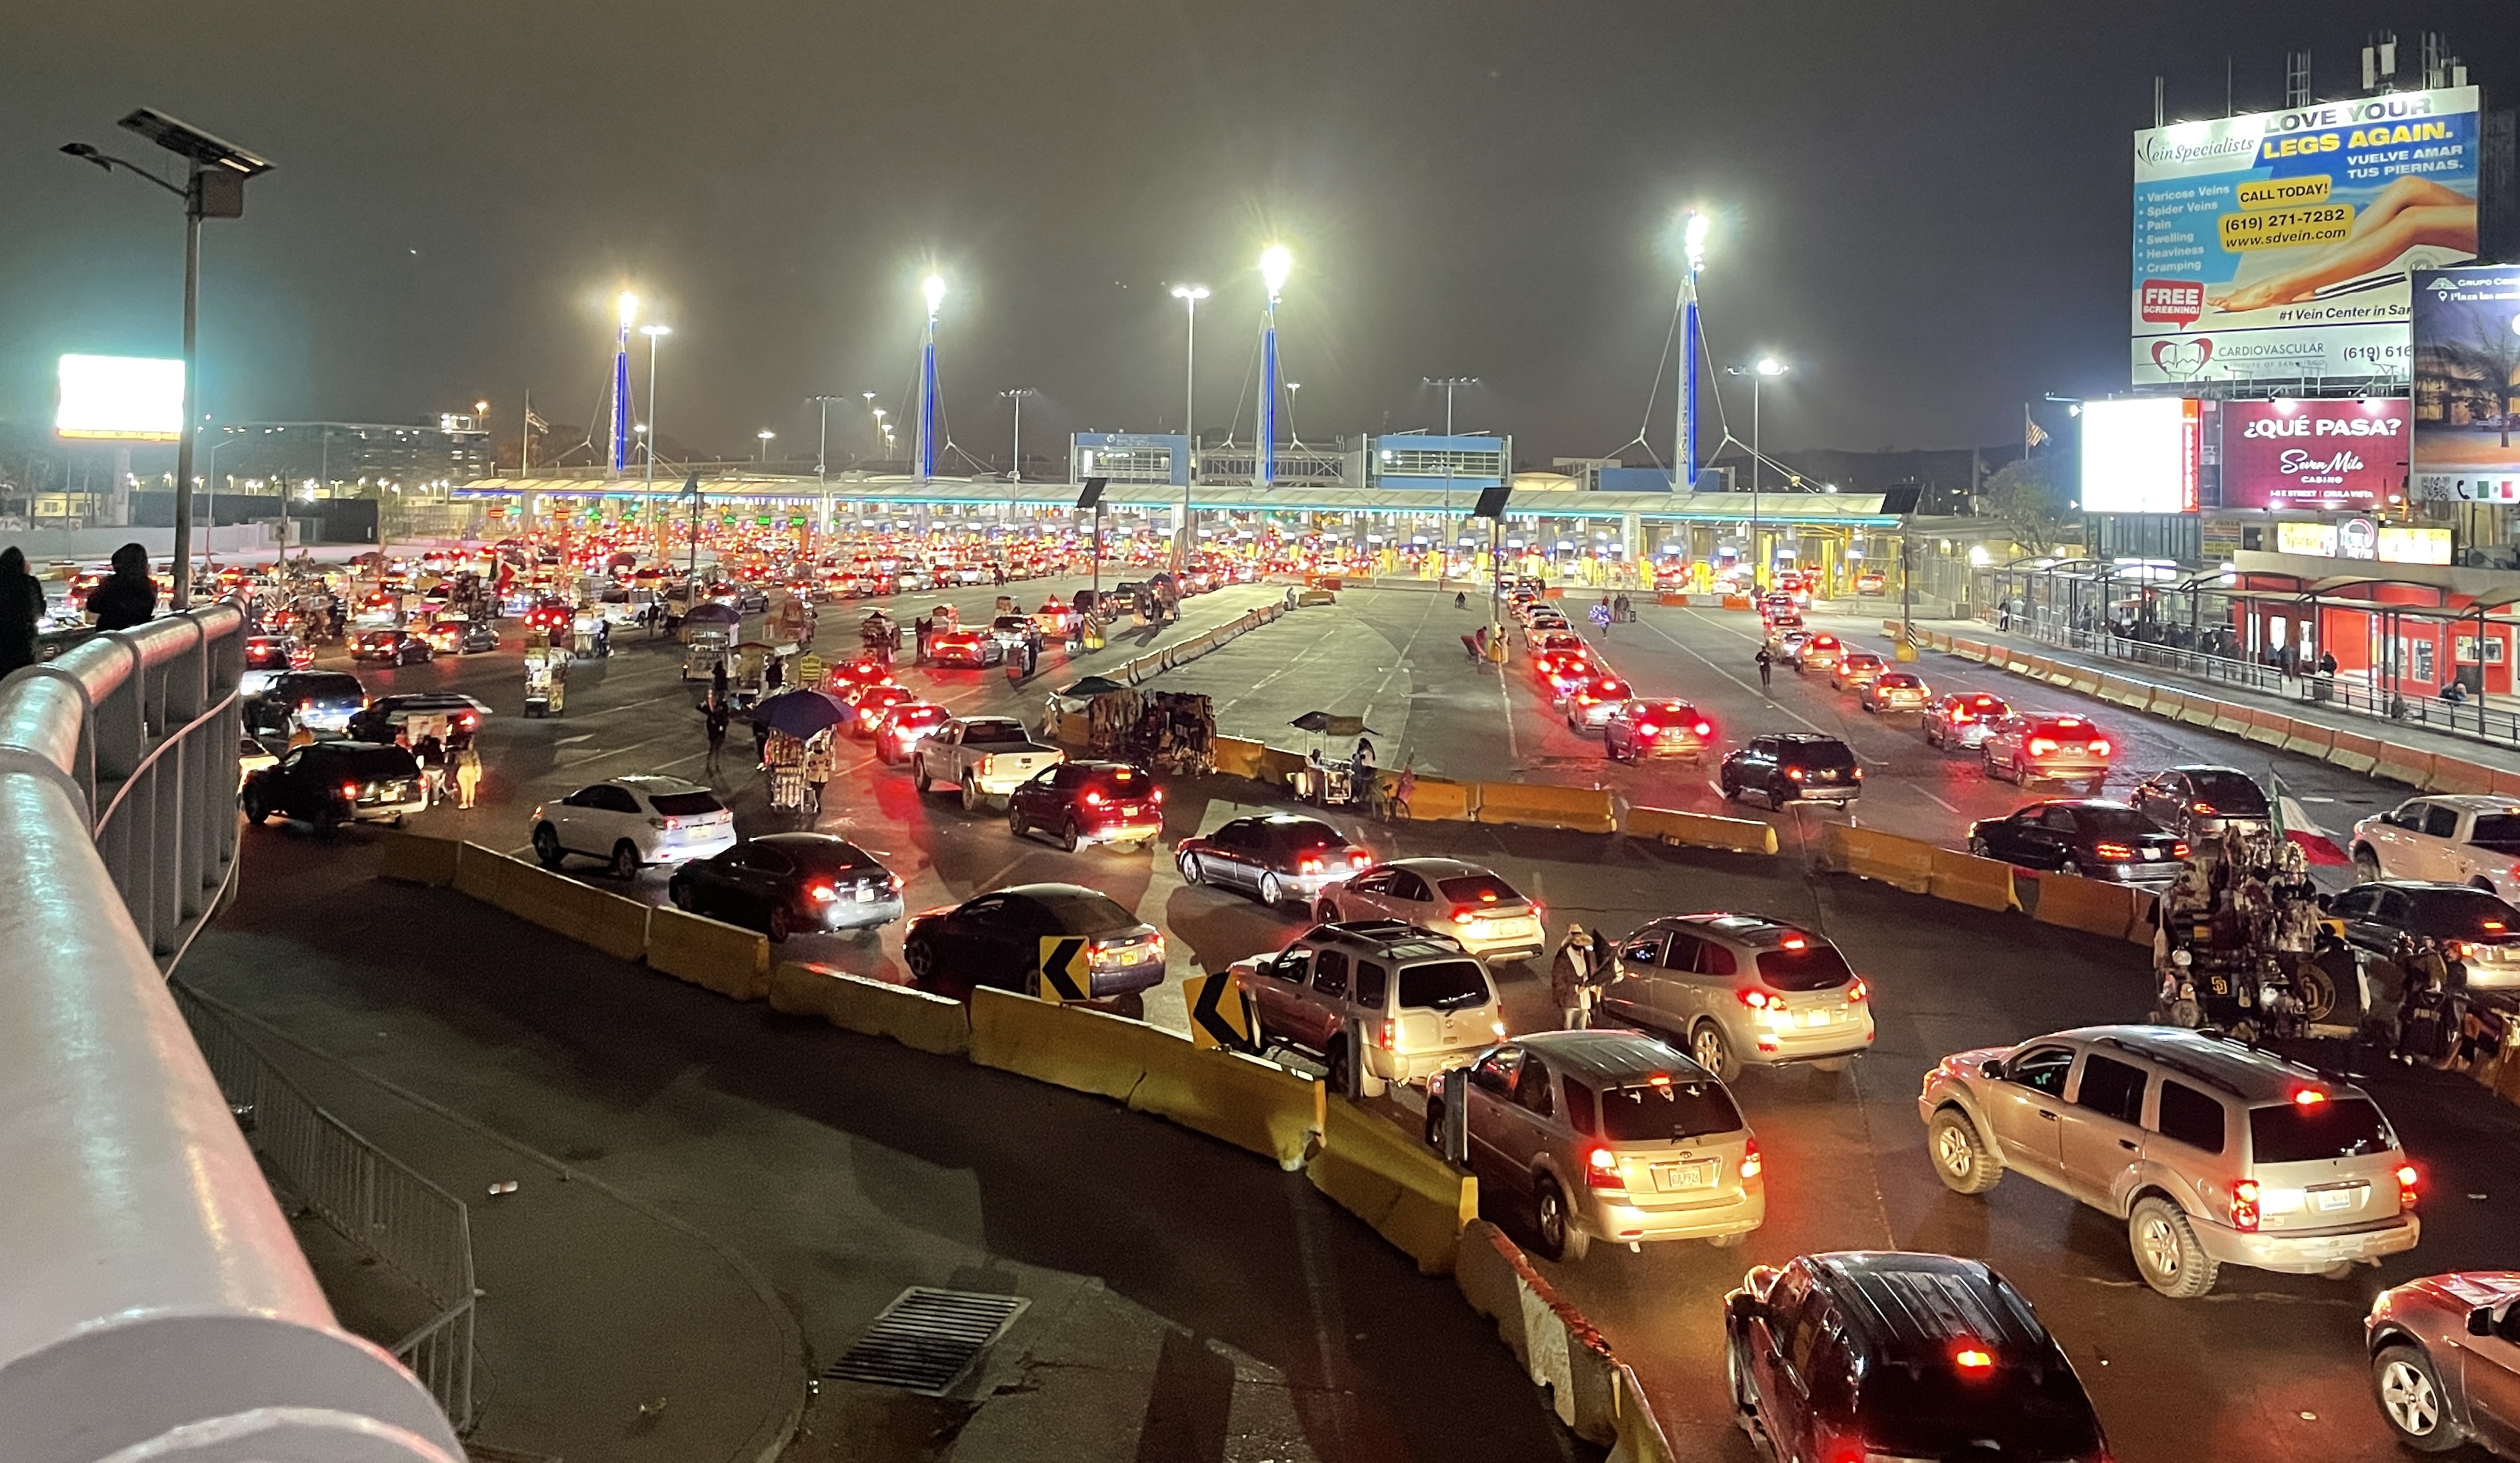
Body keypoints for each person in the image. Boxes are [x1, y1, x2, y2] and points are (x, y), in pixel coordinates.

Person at [87, 542, 158, 631]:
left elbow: (93, 605)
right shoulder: (147, 587)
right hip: (136, 635)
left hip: (109, 634)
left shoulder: (111, 584)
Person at [0, 546, 46, 675]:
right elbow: (39, 610)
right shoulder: (30, 583)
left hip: (3, 639)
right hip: (24, 639)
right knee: (23, 678)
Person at [1549, 924, 1597, 1029]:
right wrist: (1573, 989)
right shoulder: (1564, 955)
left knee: (1582, 1027)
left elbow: (1591, 972)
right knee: (1568, 1027)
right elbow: (1558, 978)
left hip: (1584, 999)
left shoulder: (1587, 955)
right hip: (1569, 999)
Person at [801, 729, 835, 817]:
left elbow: (829, 763)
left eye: (820, 745)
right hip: (814, 777)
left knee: (821, 792)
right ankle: (818, 806)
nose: (819, 747)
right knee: (818, 792)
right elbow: (809, 765)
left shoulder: (826, 754)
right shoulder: (810, 755)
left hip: (823, 777)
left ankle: (818, 805)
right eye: (817, 746)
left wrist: (825, 763)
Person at [451, 741, 483, 810]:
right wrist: (478, 773)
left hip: (462, 770)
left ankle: (464, 802)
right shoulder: (474, 753)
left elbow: (456, 763)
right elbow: (477, 763)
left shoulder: (459, 753)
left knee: (464, 788)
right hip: (471, 769)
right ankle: (471, 802)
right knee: (471, 787)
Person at [704, 697, 731, 773]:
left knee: (717, 750)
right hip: (715, 735)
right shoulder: (714, 716)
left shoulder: (722, 715)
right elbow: (710, 726)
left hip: (719, 735)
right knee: (713, 749)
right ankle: (710, 765)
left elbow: (725, 723)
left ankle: (716, 764)